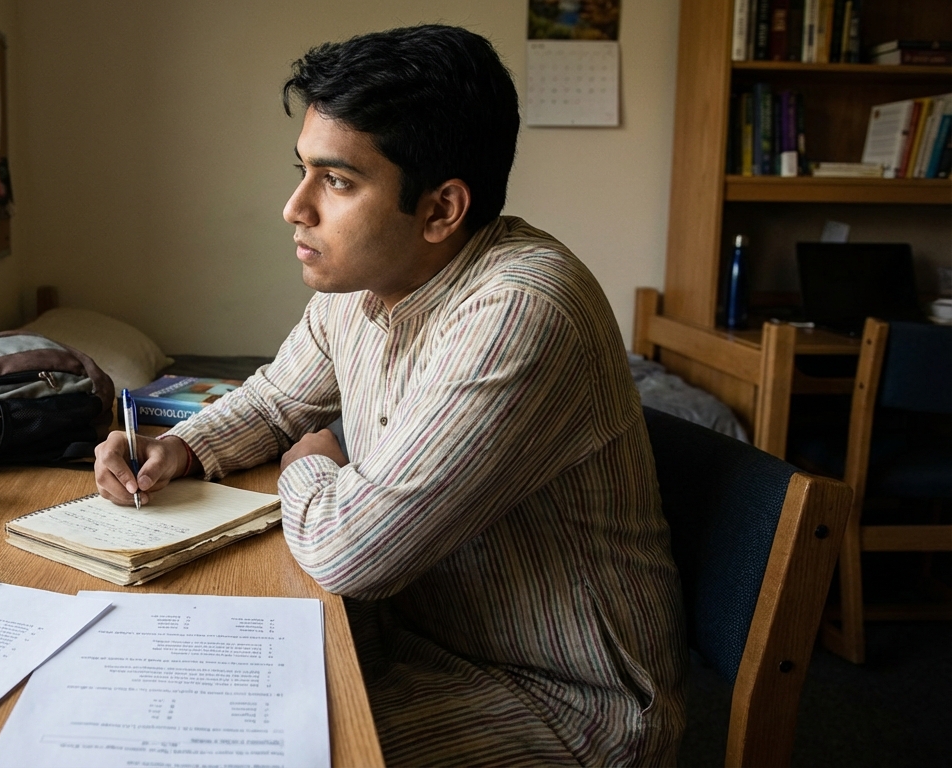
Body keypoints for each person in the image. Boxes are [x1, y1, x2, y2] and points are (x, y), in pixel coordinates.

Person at [94, 24, 685, 767]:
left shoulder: (522, 308)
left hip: (559, 703)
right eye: (303, 170)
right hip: (407, 634)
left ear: (441, 210)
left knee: (218, 748)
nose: (295, 207)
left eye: (337, 181)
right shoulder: (363, 285)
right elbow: (275, 402)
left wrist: (311, 464)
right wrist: (178, 446)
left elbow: (353, 553)